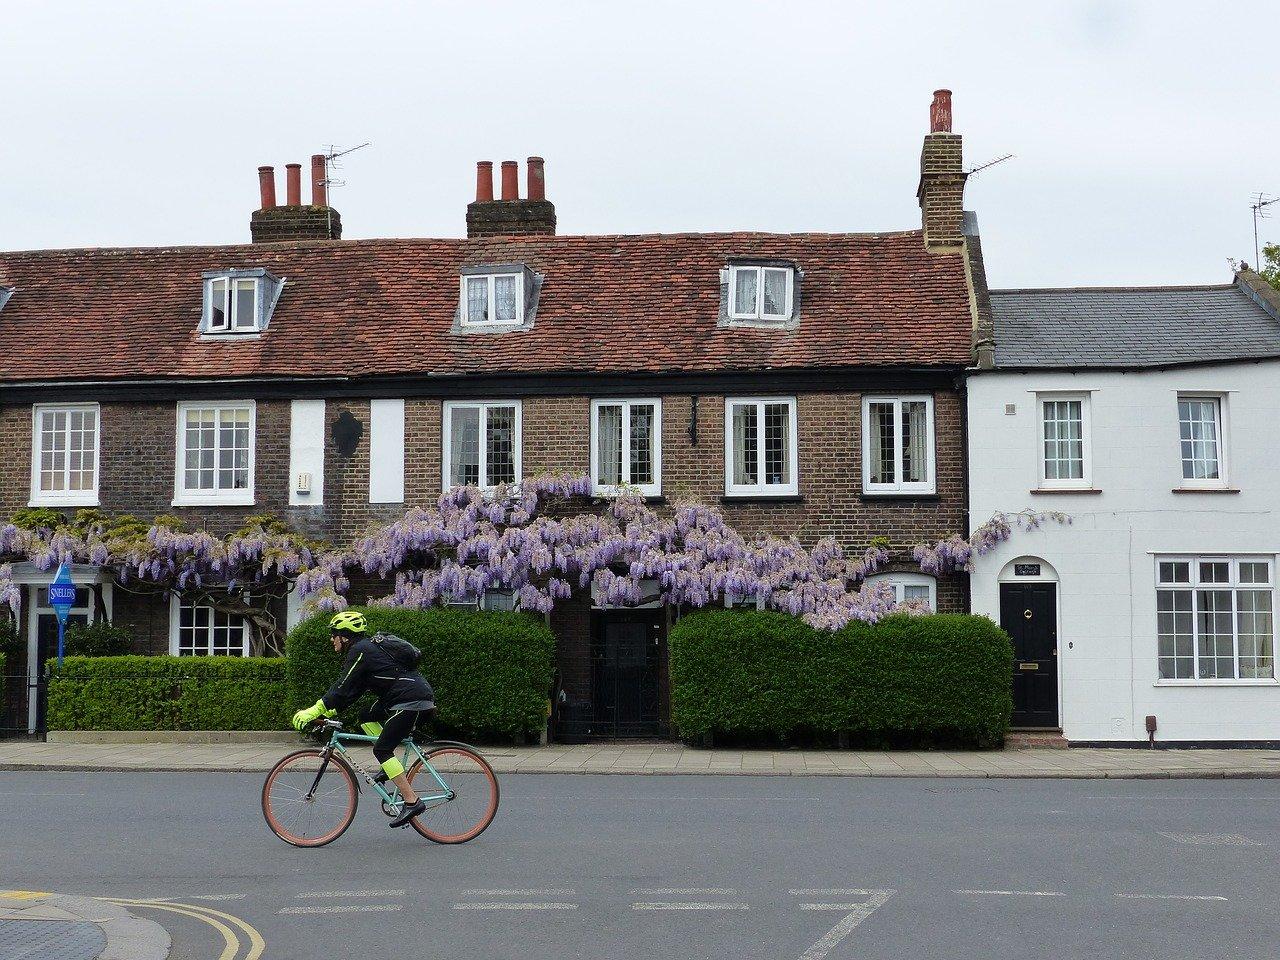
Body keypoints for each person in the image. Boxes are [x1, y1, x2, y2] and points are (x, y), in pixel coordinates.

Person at [291, 611, 436, 828]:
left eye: (334, 634)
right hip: (401, 698)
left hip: (411, 700)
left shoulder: (360, 650)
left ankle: (412, 801)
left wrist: (313, 710)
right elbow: (352, 692)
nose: (331, 639)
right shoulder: (366, 651)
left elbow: (341, 687)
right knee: (365, 716)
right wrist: (325, 714)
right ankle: (390, 768)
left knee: (382, 750)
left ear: (344, 636)